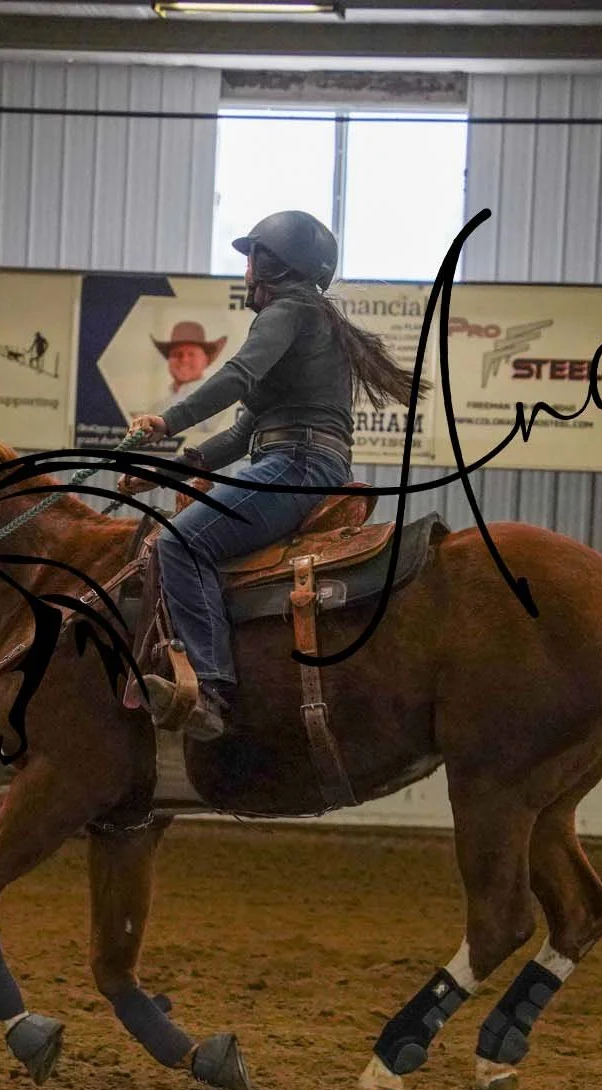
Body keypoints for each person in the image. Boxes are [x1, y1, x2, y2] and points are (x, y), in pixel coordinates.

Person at [118, 209, 425, 741]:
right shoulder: (310, 318)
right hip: (300, 463)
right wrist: (174, 470)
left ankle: (209, 690)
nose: (246, 272)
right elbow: (245, 431)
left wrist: (167, 421)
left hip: (295, 466)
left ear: (273, 264)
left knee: (179, 544)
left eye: (251, 259)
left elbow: (237, 377)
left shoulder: (289, 310)